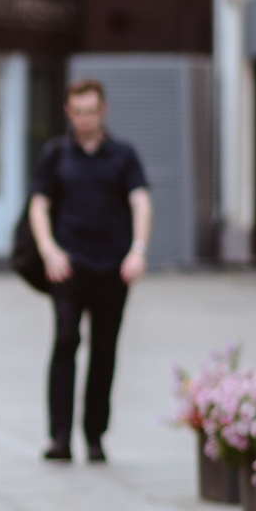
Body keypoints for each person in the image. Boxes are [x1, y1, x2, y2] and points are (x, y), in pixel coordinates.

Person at [29, 79, 152, 464]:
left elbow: (141, 202)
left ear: (103, 111)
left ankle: (95, 435)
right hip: (69, 267)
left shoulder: (123, 155)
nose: (84, 119)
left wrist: (138, 251)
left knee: (104, 350)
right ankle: (60, 437)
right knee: (65, 341)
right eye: (78, 112)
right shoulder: (56, 154)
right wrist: (49, 250)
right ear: (68, 112)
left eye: (91, 112)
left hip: (113, 268)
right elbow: (38, 205)